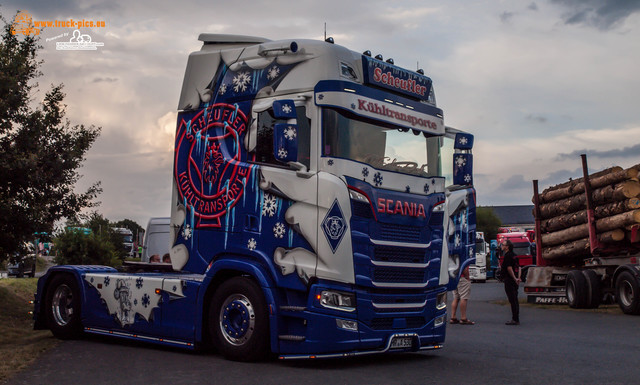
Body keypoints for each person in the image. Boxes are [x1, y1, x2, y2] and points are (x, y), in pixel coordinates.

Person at [501, 239, 521, 325]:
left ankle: (515, 319)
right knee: (515, 299)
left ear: (507, 247)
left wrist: (514, 278)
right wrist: (518, 278)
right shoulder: (515, 255)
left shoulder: (508, 256)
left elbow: (509, 268)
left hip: (509, 280)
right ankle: (516, 317)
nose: (502, 246)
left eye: (503, 245)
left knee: (512, 299)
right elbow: (519, 267)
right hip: (515, 280)